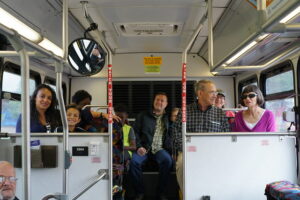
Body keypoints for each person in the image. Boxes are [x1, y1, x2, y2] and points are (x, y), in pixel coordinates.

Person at [173, 80, 230, 192]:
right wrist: (186, 148)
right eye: (212, 92)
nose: (215, 96)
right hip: (189, 150)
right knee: (181, 164)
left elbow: (226, 134)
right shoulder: (185, 111)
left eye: (215, 92)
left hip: (214, 151)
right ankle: (187, 193)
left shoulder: (219, 113)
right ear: (200, 93)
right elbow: (176, 133)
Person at [130, 92, 172, 200]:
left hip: (159, 149)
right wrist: (138, 147)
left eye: (162, 100)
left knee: (168, 160)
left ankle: (161, 192)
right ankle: (140, 192)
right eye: (157, 99)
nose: (159, 102)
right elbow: (134, 133)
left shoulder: (168, 118)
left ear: (166, 104)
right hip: (144, 148)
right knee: (133, 161)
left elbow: (172, 135)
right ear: (153, 101)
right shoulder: (143, 115)